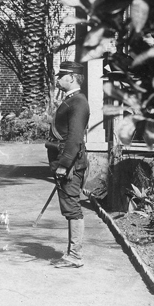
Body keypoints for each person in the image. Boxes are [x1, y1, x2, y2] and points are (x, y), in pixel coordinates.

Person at [48, 60, 90, 269]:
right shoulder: (72, 100)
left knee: (72, 207)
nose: (57, 79)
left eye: (60, 75)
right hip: (66, 162)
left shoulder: (79, 102)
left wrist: (64, 164)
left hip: (71, 164)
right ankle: (72, 253)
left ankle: (75, 255)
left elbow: (74, 138)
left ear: (71, 78)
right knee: (69, 206)